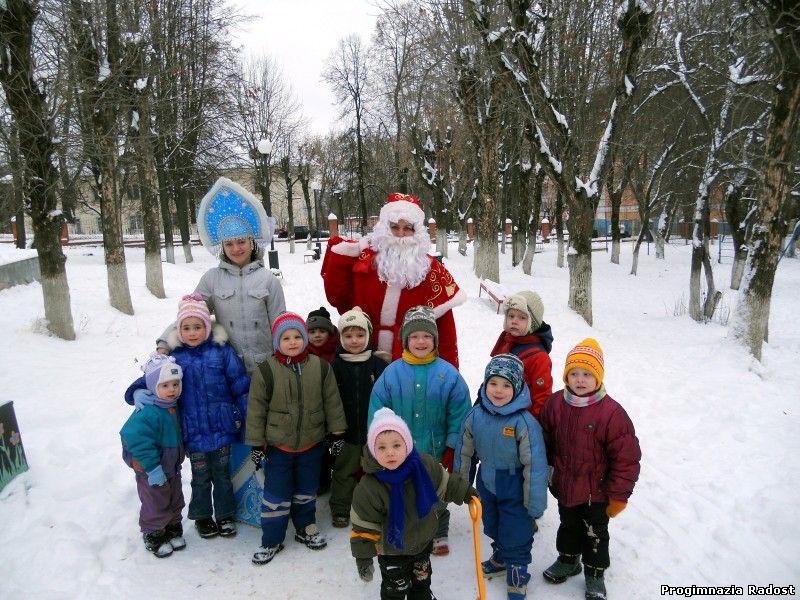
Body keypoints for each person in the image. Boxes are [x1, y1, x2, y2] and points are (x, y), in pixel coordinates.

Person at [133, 294, 251, 539]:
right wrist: (136, 391)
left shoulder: (222, 351)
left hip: (221, 427)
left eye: (198, 327)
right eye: (186, 328)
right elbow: (152, 378)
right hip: (193, 430)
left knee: (222, 476)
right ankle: (203, 517)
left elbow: (239, 383)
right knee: (200, 478)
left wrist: (243, 413)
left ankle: (226, 514)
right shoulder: (175, 358)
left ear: (207, 328)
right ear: (179, 330)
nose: (193, 332)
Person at [539, 339, 641, 600]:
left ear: (598, 376)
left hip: (597, 491)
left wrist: (619, 495)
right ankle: (568, 559)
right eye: (574, 374)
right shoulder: (554, 405)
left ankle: (595, 573)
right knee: (568, 524)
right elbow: (544, 440)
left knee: (595, 532)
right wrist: (545, 472)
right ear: (566, 376)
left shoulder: (611, 413)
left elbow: (626, 458)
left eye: (587, 374)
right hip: (565, 485)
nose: (580, 380)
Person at [368, 305, 471, 556]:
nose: (421, 341)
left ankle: (438, 530)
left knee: (435, 491)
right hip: (398, 451)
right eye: (414, 336)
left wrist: (451, 445)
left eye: (426, 336)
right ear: (405, 340)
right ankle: (405, 527)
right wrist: (379, 446)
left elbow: (460, 413)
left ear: (434, 339)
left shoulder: (448, 375)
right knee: (403, 491)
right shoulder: (391, 374)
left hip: (435, 450)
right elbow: (378, 411)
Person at [246, 312, 347, 566]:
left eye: (297, 336)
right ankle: (272, 538)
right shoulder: (266, 371)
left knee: (306, 489)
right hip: (279, 445)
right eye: (286, 338)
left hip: (312, 443)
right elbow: (256, 409)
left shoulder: (320, 367)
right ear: (277, 342)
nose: (292, 342)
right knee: (276, 493)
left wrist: (337, 433)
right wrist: (257, 444)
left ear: (304, 338)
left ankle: (306, 526)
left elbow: (332, 402)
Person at [322, 192, 466, 367]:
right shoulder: (366, 260)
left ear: (417, 232)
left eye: (407, 228)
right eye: (395, 227)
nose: (400, 234)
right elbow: (338, 297)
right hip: (364, 356)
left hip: (411, 363)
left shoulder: (430, 270)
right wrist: (344, 253)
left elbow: (446, 332)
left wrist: (449, 375)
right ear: (385, 229)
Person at [157, 177, 286, 374]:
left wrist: (285, 361)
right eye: (229, 244)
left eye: (241, 241)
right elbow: (190, 315)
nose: (236, 248)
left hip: (267, 367)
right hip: (228, 368)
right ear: (222, 247)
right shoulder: (212, 279)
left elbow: (280, 323)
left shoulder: (268, 279)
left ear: (252, 242)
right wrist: (165, 343)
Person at [350, 407, 478, 600]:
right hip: (392, 551)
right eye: (382, 447)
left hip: (422, 543)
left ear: (407, 445)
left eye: (396, 445)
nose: (390, 453)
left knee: (422, 582)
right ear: (373, 450)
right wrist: (363, 557)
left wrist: (466, 492)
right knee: (395, 590)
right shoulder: (370, 487)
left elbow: (445, 483)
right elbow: (364, 524)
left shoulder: (424, 466)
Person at [455, 354, 548, 600]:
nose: (498, 390)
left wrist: (535, 501)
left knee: (516, 528)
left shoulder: (523, 422)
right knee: (493, 522)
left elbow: (535, 464)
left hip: (515, 484)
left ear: (517, 388)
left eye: (506, 385)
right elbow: (465, 450)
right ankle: (500, 555)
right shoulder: (476, 415)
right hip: (487, 481)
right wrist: (461, 483)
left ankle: (518, 569)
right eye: (493, 383)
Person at [120, 354, 186, 558]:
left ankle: (173, 528)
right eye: (165, 385)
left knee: (175, 498)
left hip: (171, 467)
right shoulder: (148, 410)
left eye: (175, 384)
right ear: (153, 386)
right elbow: (132, 435)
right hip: (152, 470)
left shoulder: (172, 407)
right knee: (154, 502)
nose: (172, 389)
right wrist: (153, 468)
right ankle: (154, 534)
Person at [329, 306, 389, 528]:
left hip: (373, 432)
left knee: (375, 471)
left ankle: (376, 508)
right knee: (344, 470)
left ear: (368, 336)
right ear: (341, 337)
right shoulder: (334, 366)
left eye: (360, 335)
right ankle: (341, 508)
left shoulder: (378, 365)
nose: (354, 340)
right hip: (345, 431)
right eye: (348, 335)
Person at [490, 291, 553, 420]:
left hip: (521, 420)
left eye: (522, 318)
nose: (514, 321)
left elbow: (542, 396)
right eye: (511, 316)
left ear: (533, 322)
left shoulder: (539, 357)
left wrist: (531, 426)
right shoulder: (506, 342)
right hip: (498, 413)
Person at [307, 305, 339, 495]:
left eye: (322, 331)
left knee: (334, 448)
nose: (317, 335)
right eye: (312, 331)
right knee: (318, 450)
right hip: (313, 411)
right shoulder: (302, 352)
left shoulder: (338, 351)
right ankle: (321, 481)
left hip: (334, 409)